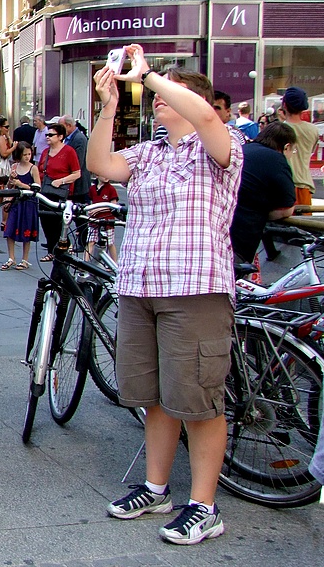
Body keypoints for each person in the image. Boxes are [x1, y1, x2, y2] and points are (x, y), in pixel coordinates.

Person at [88, 43, 242, 546]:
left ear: (191, 98)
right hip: (141, 287)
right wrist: (110, 107)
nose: (156, 98)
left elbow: (205, 117)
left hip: (195, 289)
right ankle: (157, 488)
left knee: (198, 400)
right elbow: (100, 164)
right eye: (155, 92)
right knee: (155, 397)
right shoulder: (149, 153)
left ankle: (204, 504)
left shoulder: (221, 147)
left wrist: (150, 76)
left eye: (168, 91)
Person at [229, 121, 297, 264]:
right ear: (287, 147)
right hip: (242, 237)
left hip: (220, 232)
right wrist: (264, 214)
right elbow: (286, 208)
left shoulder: (242, 149)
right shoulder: (277, 161)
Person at [37, 122, 81, 261]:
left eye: (51, 135)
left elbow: (77, 173)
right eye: (47, 135)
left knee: (58, 223)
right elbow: (39, 170)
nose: (47, 137)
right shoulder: (45, 152)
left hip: (60, 192)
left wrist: (61, 181)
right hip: (45, 191)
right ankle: (52, 250)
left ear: (60, 136)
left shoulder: (68, 152)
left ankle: (63, 248)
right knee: (45, 221)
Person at [1, 141, 40, 270]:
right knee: (10, 229)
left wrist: (21, 184)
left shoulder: (33, 168)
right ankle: (11, 257)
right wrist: (12, 180)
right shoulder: (14, 167)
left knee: (26, 231)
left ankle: (25, 259)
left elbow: (37, 188)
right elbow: (9, 186)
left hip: (28, 203)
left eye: (29, 154)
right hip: (16, 202)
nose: (27, 157)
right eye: (25, 154)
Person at [277, 86, 318, 207]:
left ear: (284, 104)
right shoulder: (313, 130)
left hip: (283, 185)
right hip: (305, 186)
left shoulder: (277, 130)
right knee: (304, 224)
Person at [85, 175, 119, 264]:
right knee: (90, 241)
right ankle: (85, 263)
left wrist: (98, 209)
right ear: (97, 175)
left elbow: (113, 206)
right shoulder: (92, 189)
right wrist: (90, 210)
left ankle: (114, 263)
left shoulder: (111, 189)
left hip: (107, 220)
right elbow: (90, 202)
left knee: (110, 243)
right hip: (94, 220)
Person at [61, 114, 90, 203]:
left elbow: (78, 162)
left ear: (68, 126)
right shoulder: (67, 138)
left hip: (79, 184)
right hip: (70, 183)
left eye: (61, 126)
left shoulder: (79, 138)